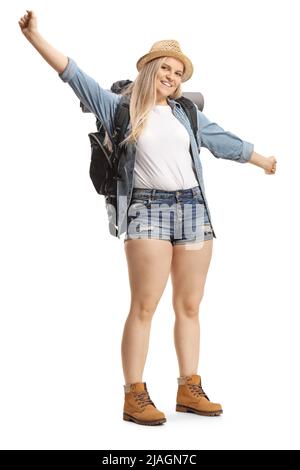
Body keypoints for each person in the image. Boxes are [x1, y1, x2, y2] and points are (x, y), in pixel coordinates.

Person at [19, 10, 277, 427]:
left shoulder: (185, 114)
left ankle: (188, 388)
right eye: (167, 68)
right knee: (144, 305)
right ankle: (134, 395)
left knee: (190, 304)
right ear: (150, 68)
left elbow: (222, 142)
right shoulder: (118, 107)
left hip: (194, 210)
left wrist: (264, 160)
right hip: (147, 211)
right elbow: (73, 74)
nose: (173, 76)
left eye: (179, 73)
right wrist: (35, 36)